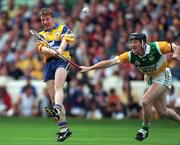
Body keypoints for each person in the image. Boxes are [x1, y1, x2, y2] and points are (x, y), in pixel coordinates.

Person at [80, 32, 180, 141]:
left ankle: (144, 129)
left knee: (145, 101)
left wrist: (176, 54)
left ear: (143, 43)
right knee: (162, 111)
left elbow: (176, 47)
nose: (132, 44)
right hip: (150, 78)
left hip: (163, 75)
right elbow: (110, 62)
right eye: (131, 42)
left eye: (135, 42)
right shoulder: (130, 55)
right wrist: (90, 68)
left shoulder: (156, 47)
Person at [37, 8, 74, 142]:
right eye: (42, 20)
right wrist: (52, 52)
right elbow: (42, 49)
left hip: (62, 60)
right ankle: (64, 130)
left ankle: (57, 109)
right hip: (49, 64)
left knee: (59, 87)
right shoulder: (40, 34)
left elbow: (65, 40)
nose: (45, 22)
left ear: (53, 18)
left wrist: (60, 49)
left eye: (47, 19)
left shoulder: (63, 28)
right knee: (53, 98)